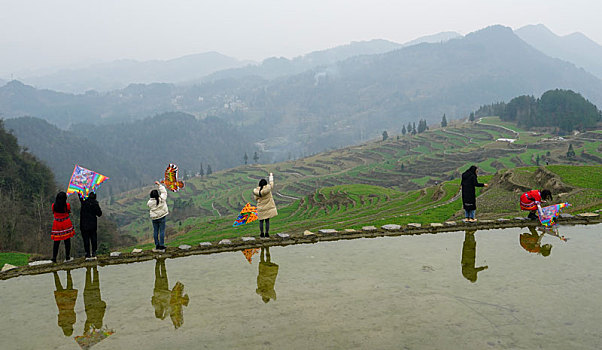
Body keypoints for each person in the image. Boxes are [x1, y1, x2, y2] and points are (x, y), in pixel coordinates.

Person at [52, 191, 76, 263]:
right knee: (67, 241)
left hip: (57, 224)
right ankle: (67, 257)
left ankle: (54, 258)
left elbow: (53, 212)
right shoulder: (67, 205)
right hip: (66, 223)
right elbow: (68, 211)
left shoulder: (54, 206)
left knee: (56, 241)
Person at [253, 173, 278, 238]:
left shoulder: (257, 191)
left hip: (260, 208)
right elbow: (271, 184)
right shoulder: (268, 189)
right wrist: (271, 176)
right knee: (267, 221)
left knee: (261, 221)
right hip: (268, 207)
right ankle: (266, 233)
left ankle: (261, 234)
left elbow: (255, 198)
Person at [53, 270, 78, 336]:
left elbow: (74, 313)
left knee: (68, 288)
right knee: (59, 288)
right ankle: (55, 273)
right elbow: (59, 315)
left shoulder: (73, 321)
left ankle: (68, 272)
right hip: (63, 306)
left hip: (69, 305)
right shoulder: (60, 323)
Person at [83, 266, 106, 334]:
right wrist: (86, 330)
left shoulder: (100, 314)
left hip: (93, 295)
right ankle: (89, 269)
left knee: (95, 280)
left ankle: (93, 269)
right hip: (88, 297)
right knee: (88, 280)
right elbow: (103, 303)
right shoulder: (90, 320)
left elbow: (103, 303)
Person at [79, 192, 102, 260]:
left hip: (84, 224)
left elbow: (80, 198)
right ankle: (94, 252)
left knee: (86, 239)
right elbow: (99, 214)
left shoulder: (84, 202)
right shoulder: (95, 203)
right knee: (93, 238)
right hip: (92, 224)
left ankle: (87, 253)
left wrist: (79, 191)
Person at [148, 181, 169, 252]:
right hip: (162, 217)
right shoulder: (162, 199)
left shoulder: (149, 203)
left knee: (155, 231)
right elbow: (164, 192)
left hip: (154, 218)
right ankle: (162, 245)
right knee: (162, 231)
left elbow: (149, 205)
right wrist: (159, 185)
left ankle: (157, 245)